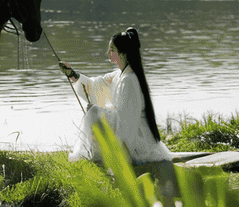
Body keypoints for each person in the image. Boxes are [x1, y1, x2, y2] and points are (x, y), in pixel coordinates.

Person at [58, 27, 173, 166]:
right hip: (129, 131)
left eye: (111, 49)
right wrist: (72, 74)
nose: (108, 53)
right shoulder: (119, 74)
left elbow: (126, 119)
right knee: (96, 110)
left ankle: (105, 157)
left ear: (123, 53)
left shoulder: (129, 80)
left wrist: (97, 111)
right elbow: (96, 85)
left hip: (136, 139)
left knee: (95, 111)